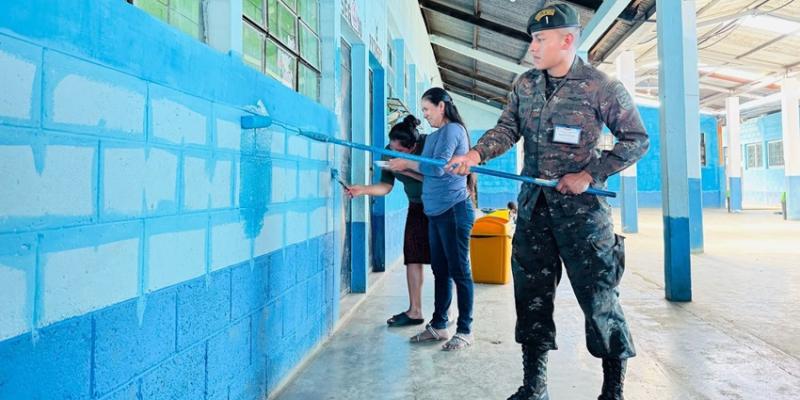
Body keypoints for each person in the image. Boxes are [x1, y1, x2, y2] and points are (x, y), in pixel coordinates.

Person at [446, 3, 649, 399]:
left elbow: (636, 139)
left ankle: (613, 391)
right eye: (532, 40)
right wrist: (475, 155)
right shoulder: (525, 85)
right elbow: (507, 128)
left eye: (540, 40)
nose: (533, 48)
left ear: (567, 40)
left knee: (599, 299)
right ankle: (534, 386)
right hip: (534, 211)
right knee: (532, 298)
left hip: (584, 217)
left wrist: (589, 174)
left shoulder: (600, 86)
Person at [388, 87, 476, 351]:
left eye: (427, 109)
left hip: (454, 209)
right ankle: (439, 325)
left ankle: (465, 329)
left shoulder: (453, 131)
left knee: (459, 271)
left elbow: (438, 168)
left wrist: (407, 164)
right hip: (435, 212)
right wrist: (407, 164)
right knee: (441, 270)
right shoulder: (437, 135)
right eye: (423, 110)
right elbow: (429, 168)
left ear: (441, 106)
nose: (425, 115)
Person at [346, 115, 430, 327]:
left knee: (444, 260)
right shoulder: (388, 152)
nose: (394, 153)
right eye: (392, 149)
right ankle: (415, 311)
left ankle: (445, 315)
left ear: (412, 147)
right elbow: (386, 187)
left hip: (441, 205)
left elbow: (439, 177)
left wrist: (407, 169)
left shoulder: (429, 146)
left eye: (400, 151)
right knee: (412, 256)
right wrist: (362, 190)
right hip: (416, 205)